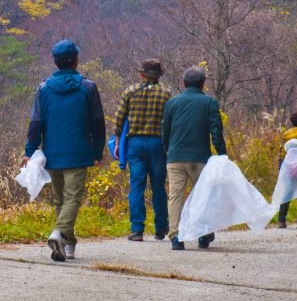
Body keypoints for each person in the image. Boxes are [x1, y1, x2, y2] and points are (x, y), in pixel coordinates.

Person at [23, 39, 106, 262]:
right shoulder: (88, 87)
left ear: (55, 62)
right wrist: (98, 151)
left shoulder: (43, 89)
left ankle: (68, 245)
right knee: (73, 198)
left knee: (61, 200)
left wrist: (30, 151)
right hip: (79, 152)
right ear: (76, 60)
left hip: (52, 153)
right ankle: (60, 233)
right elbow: (98, 122)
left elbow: (36, 122)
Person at [161, 66, 227, 250]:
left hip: (175, 157)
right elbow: (216, 131)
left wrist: (168, 149)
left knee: (175, 196)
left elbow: (165, 130)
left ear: (184, 83)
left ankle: (175, 237)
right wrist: (222, 153)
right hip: (200, 157)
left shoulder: (172, 103)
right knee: (203, 196)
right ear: (203, 83)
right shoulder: (209, 103)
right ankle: (204, 235)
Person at [111, 59, 172, 241]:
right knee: (158, 187)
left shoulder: (130, 91)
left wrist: (117, 142)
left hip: (135, 144)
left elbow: (119, 119)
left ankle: (137, 229)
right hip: (158, 144)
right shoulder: (166, 93)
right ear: (158, 75)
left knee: (136, 186)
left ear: (142, 74)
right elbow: (170, 121)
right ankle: (161, 228)